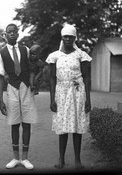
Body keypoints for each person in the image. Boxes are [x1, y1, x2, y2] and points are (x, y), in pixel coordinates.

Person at [46, 24, 92, 170]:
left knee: (77, 126)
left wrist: (88, 99)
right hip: (61, 92)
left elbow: (86, 77)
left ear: (74, 38)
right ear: (62, 37)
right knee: (63, 126)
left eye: (70, 36)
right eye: (65, 36)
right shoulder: (55, 56)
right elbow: (52, 78)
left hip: (77, 92)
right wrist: (52, 98)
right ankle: (61, 159)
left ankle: (77, 160)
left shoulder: (81, 55)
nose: (68, 39)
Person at [0, 23, 38, 170]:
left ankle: (25, 158)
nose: (12, 34)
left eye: (14, 31)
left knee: (26, 123)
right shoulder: (1, 53)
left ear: (18, 34)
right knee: (14, 123)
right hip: (12, 88)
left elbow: (33, 67)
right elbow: (0, 76)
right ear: (5, 35)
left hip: (26, 88)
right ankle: (15, 158)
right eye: (9, 32)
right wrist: (0, 100)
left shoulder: (25, 49)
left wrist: (34, 81)